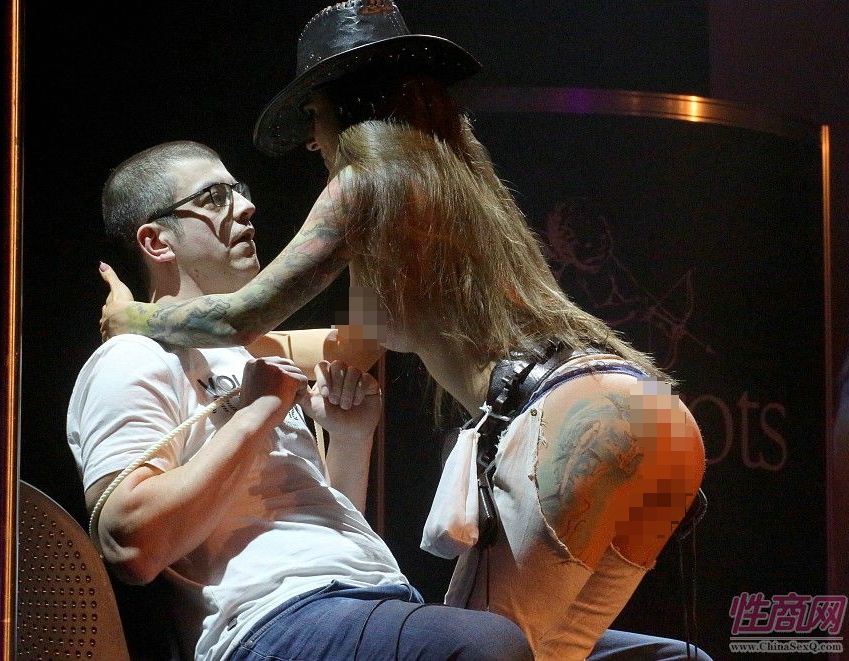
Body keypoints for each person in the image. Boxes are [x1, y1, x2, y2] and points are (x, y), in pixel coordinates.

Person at [97, 3, 712, 659]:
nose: (313, 143)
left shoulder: (364, 185)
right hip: (651, 409)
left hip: (563, 421)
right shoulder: (457, 181)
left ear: (344, 109)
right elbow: (335, 344)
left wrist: (132, 318)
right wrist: (313, 409)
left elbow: (240, 317)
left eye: (315, 117)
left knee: (486, 648)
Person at [68, 139, 531, 660]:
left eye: (239, 190)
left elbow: (311, 525)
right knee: (490, 644)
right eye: (215, 197)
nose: (247, 206)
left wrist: (349, 440)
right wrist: (257, 414)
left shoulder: (255, 355)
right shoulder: (133, 355)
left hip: (364, 597)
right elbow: (128, 544)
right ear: (156, 242)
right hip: (270, 622)